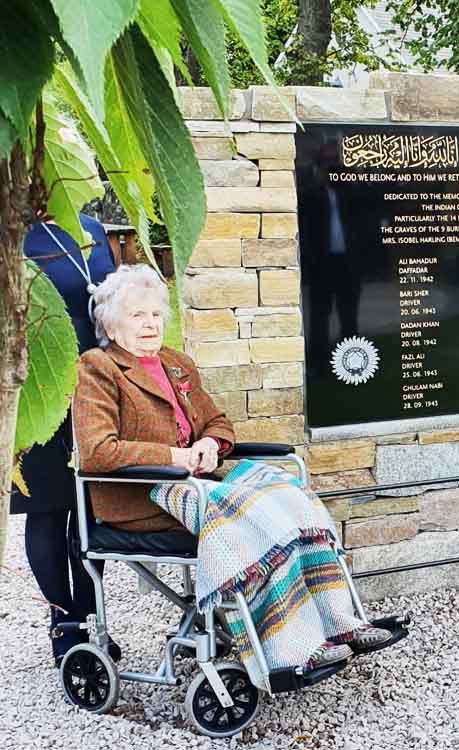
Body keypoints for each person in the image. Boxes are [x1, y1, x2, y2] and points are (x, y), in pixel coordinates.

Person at [73, 265, 390, 684]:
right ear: (112, 326)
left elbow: (217, 423)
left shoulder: (175, 363)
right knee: (258, 519)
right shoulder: (99, 368)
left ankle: (340, 623)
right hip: (143, 493)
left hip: (197, 484)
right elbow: (97, 451)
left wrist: (209, 444)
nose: (150, 324)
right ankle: (291, 650)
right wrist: (175, 456)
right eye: (137, 316)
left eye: (155, 314)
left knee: (291, 496)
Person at [11, 214, 118, 667]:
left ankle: (92, 616)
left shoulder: (91, 228)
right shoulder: (12, 227)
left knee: (93, 506)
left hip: (96, 386)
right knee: (48, 507)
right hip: (38, 387)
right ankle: (64, 621)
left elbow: (113, 302)